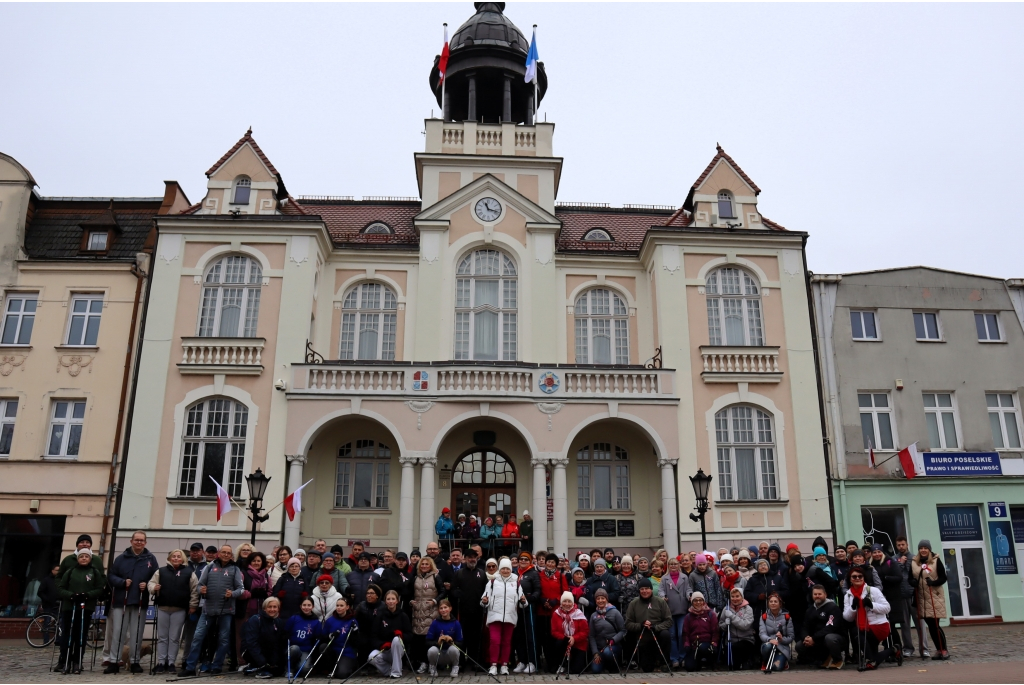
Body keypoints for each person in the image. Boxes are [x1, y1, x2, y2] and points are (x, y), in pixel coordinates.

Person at [179, 544, 247, 676]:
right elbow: (199, 585)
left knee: (223, 639)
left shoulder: (235, 569)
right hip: (207, 610)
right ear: (219, 554)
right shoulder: (209, 567)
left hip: (226, 610)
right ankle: (190, 667)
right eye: (224, 552)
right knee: (198, 637)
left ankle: (217, 666)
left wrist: (232, 594)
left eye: (229, 553)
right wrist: (201, 590)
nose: (226, 555)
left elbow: (241, 589)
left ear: (231, 555)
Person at [106, 530, 158, 674]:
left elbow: (156, 577)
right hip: (121, 600)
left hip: (140, 601)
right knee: (118, 632)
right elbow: (111, 576)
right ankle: (114, 661)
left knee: (137, 633)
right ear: (131, 541)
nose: (139, 542)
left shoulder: (151, 559)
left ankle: (135, 661)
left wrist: (147, 584)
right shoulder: (121, 558)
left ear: (145, 542)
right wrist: (122, 582)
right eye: (136, 540)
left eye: (142, 540)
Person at [148, 549, 199, 674]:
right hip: (162, 608)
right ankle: (161, 662)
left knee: (174, 637)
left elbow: (195, 589)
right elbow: (151, 583)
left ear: (183, 559)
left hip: (180, 609)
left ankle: (171, 662)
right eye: (174, 556)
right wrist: (154, 588)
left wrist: (193, 605)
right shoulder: (161, 571)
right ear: (170, 558)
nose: (176, 558)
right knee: (162, 637)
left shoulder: (189, 572)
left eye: (178, 557)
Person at [56, 547, 105, 673]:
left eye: (86, 556)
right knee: (67, 635)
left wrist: (88, 595)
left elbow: (100, 588)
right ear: (78, 558)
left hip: (85, 607)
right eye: (81, 556)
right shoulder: (70, 571)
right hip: (69, 607)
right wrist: (70, 595)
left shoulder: (94, 572)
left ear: (90, 559)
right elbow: (61, 588)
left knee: (81, 635)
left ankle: (77, 661)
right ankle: (65, 660)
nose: (84, 558)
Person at [480, 557, 528, 675]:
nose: (505, 571)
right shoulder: (492, 582)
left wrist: (523, 600)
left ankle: (504, 665)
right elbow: (483, 601)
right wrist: (484, 601)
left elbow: (524, 604)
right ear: (499, 569)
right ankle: (493, 665)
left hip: (510, 617)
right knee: (494, 641)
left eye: (507, 568)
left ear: (511, 569)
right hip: (494, 616)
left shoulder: (516, 583)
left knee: (507, 642)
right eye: (503, 569)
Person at [842, 566, 891, 669]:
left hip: (879, 626)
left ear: (864, 578)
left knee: (857, 634)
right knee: (859, 635)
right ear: (850, 580)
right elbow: (847, 617)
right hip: (863, 628)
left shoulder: (873, 590)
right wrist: (853, 608)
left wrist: (872, 605)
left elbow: (887, 608)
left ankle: (870, 660)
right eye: (854, 577)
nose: (857, 578)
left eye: (860, 576)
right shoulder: (848, 595)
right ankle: (892, 650)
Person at [624, 578, 672, 673]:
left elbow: (669, 621)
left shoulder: (660, 602)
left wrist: (656, 627)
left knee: (666, 634)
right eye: (642, 589)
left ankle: (664, 662)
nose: (644, 591)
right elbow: (628, 623)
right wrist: (640, 625)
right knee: (647, 669)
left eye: (647, 588)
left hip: (658, 635)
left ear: (651, 589)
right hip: (644, 639)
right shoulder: (634, 603)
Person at [911, 540, 949, 660]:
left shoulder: (936, 560)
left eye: (925, 548)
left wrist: (934, 583)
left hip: (934, 596)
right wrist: (912, 582)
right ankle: (939, 649)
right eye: (921, 548)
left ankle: (943, 649)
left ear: (929, 549)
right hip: (922, 598)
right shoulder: (914, 562)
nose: (923, 550)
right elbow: (909, 577)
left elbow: (943, 577)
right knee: (930, 626)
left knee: (935, 625)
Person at [452, 549, 489, 670]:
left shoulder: (482, 574)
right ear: (465, 559)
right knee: (462, 637)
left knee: (476, 638)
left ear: (477, 559)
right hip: (463, 611)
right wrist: (457, 593)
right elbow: (453, 589)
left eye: (474, 557)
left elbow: (487, 591)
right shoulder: (460, 573)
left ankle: (475, 661)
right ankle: (461, 662)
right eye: (470, 557)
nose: (472, 559)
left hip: (478, 611)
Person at [870, 543, 906, 654]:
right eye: (874, 552)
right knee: (883, 625)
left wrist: (886, 578)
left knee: (891, 625)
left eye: (879, 552)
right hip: (879, 598)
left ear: (882, 552)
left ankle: (897, 648)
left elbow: (899, 577)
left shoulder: (890, 562)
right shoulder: (871, 565)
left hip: (892, 598)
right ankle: (887, 649)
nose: (877, 554)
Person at [369, 589, 413, 678]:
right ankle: (389, 671)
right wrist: (382, 644)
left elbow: (410, 635)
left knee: (396, 640)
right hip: (386, 649)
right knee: (371, 657)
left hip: (399, 650)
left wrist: (402, 635)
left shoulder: (403, 616)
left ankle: (396, 672)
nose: (391, 601)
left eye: (393, 599)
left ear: (397, 601)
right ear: (385, 601)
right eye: (388, 599)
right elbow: (374, 636)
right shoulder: (380, 616)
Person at [800, 584, 845, 669]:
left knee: (830, 638)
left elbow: (831, 628)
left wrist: (814, 638)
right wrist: (806, 638)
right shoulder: (810, 610)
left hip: (836, 638)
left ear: (825, 594)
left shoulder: (833, 607)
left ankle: (838, 659)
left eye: (820, 594)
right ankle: (822, 658)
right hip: (817, 639)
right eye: (815, 594)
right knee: (799, 646)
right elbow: (805, 626)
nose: (817, 596)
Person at [410, 556, 443, 672]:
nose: (424, 566)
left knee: (429, 638)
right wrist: (411, 601)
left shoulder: (435, 576)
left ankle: (432, 663)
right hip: (417, 612)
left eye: (426, 564)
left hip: (431, 611)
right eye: (422, 564)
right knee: (418, 640)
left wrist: (434, 601)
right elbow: (408, 591)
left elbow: (443, 591)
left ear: (431, 566)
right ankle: (423, 662)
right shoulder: (415, 578)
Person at [237, 551, 270, 666]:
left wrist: (265, 595)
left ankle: (256, 660)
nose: (256, 563)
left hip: (261, 609)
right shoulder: (243, 573)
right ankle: (242, 660)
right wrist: (251, 594)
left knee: (259, 636)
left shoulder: (265, 575)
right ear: (250, 562)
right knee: (243, 635)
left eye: (259, 561)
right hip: (246, 609)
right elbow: (238, 591)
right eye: (254, 561)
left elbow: (269, 591)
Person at [894, 536, 925, 657]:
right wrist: (901, 563)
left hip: (914, 595)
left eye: (903, 544)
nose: (901, 547)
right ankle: (908, 648)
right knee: (905, 625)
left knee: (919, 623)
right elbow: (896, 574)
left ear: (907, 545)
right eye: (899, 545)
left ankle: (923, 648)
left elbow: (917, 574)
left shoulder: (915, 558)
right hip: (901, 596)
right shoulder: (893, 559)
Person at [657, 556, 690, 669]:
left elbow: (688, 589)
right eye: (671, 564)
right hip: (669, 611)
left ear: (679, 565)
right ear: (668, 566)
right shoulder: (664, 578)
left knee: (681, 634)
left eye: (675, 564)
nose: (673, 566)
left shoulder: (684, 577)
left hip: (682, 609)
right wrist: (663, 596)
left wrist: (689, 596)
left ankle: (683, 657)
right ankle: (674, 658)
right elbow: (660, 590)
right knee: (672, 636)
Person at [242, 597, 286, 678]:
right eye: (269, 607)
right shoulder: (255, 620)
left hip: (269, 652)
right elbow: (251, 643)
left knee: (278, 671)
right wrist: (262, 662)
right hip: (253, 652)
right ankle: (258, 666)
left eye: (275, 607)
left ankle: (260, 667)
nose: (272, 609)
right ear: (264, 608)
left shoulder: (278, 622)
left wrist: (274, 662)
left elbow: (277, 643)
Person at [512, 550, 541, 674]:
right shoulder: (514, 573)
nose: (523, 561)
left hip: (529, 606)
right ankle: (522, 661)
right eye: (521, 559)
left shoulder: (533, 573)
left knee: (530, 636)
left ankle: (532, 662)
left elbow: (538, 589)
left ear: (530, 561)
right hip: (516, 608)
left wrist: (531, 599)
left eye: (526, 559)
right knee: (519, 636)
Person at [586, 587, 625, 673]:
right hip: (600, 649)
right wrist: (595, 653)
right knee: (595, 670)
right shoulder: (593, 616)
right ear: (595, 601)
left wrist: (613, 640)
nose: (600, 600)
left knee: (608, 652)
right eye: (598, 598)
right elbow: (591, 636)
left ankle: (613, 666)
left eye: (603, 598)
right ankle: (603, 664)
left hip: (613, 646)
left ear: (606, 599)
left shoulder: (615, 612)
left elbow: (623, 631)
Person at [549, 591, 588, 674]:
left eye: (569, 601)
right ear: (561, 602)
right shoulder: (556, 614)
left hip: (578, 644)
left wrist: (574, 638)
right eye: (564, 601)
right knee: (558, 643)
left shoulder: (579, 614)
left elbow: (585, 632)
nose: (567, 604)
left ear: (573, 603)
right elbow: (554, 631)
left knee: (576, 670)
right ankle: (561, 664)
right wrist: (566, 638)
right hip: (563, 642)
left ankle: (570, 664)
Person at [321, 597, 359, 679]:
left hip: (346, 651)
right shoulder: (330, 620)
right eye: (337, 605)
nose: (339, 608)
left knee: (342, 674)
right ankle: (331, 669)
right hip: (333, 650)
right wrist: (330, 636)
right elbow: (323, 637)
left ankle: (348, 667)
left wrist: (355, 632)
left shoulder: (352, 621)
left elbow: (356, 641)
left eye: (341, 605)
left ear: (347, 607)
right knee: (323, 647)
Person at [720, 587, 756, 670]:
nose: (735, 599)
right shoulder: (726, 609)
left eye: (737, 596)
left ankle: (747, 661)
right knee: (733, 666)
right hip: (731, 641)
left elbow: (745, 625)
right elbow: (721, 625)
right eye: (732, 596)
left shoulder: (748, 609)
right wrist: (726, 624)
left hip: (746, 640)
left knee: (744, 664)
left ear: (742, 597)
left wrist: (732, 617)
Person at [681, 591, 717, 672]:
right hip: (694, 644)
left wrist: (714, 643)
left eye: (700, 600)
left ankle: (709, 661)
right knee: (689, 667)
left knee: (702, 648)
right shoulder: (688, 616)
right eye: (695, 600)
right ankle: (697, 663)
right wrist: (686, 644)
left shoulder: (711, 614)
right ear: (692, 602)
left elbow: (715, 631)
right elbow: (685, 633)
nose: (698, 602)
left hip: (707, 644)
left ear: (704, 601)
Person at [426, 599, 463, 676]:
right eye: (441, 608)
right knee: (431, 650)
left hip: (449, 654)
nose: (443, 610)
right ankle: (432, 666)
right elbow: (427, 642)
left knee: (454, 649)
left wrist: (452, 642)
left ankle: (455, 667)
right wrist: (438, 643)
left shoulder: (456, 623)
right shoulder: (435, 623)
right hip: (438, 654)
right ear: (439, 610)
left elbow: (461, 643)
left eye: (445, 607)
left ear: (450, 608)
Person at [758, 592, 794, 672]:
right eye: (771, 602)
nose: (773, 603)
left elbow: (791, 637)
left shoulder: (787, 617)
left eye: (775, 601)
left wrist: (782, 639)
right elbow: (762, 634)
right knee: (767, 647)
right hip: (769, 643)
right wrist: (770, 640)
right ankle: (766, 661)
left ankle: (783, 661)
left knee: (777, 668)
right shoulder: (764, 617)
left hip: (782, 647)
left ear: (780, 604)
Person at [286, 597, 320, 677]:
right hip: (293, 647)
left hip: (306, 650)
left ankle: (299, 666)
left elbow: (317, 637)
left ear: (312, 607)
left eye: (309, 605)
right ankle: (289, 668)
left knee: (304, 669)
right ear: (301, 606)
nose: (306, 607)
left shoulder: (316, 622)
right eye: (304, 605)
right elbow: (286, 632)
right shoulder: (294, 618)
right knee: (294, 649)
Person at [354, 584, 383, 663]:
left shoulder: (383, 607)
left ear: (377, 595)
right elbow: (354, 619)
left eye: (372, 593)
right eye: (367, 593)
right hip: (364, 633)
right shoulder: (361, 605)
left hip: (378, 633)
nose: (369, 595)